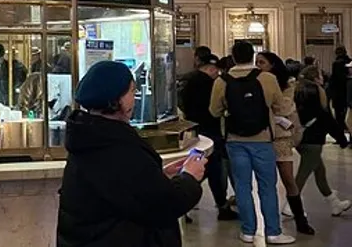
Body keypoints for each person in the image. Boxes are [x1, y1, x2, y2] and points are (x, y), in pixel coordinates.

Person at [58, 61, 204, 247]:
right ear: (115, 99)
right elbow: (164, 205)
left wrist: (159, 176)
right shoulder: (117, 146)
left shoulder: (87, 136)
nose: (134, 99)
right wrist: (189, 178)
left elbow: (125, 189)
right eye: (131, 92)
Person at [210, 40, 295, 244]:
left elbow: (214, 111)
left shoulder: (222, 81)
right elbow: (279, 107)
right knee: (267, 186)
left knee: (242, 186)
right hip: (263, 139)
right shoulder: (267, 78)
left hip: (234, 140)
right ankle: (273, 232)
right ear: (252, 55)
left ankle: (248, 231)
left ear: (233, 57)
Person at [256, 51, 314, 235]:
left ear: (273, 65)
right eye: (256, 62)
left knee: (288, 179)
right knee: (266, 181)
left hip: (282, 137)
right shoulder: (256, 82)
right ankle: (270, 224)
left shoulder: (287, 84)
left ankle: (300, 219)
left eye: (262, 62)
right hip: (262, 136)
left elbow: (284, 107)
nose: (258, 66)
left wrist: (272, 114)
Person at [179, 53, 237, 220]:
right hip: (211, 131)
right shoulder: (210, 83)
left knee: (201, 166)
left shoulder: (188, 80)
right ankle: (220, 206)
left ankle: (187, 204)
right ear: (211, 68)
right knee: (213, 168)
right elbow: (215, 108)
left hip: (194, 130)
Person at [293, 64, 351, 216]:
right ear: (315, 78)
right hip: (314, 139)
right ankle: (290, 205)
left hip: (301, 137)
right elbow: (326, 118)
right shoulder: (316, 93)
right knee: (303, 174)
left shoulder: (298, 91)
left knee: (320, 171)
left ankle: (334, 203)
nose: (323, 76)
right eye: (320, 74)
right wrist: (341, 139)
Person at [330, 46, 350, 135]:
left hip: (338, 93)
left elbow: (334, 80)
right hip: (349, 91)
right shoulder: (350, 62)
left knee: (339, 115)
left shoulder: (336, 64)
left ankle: (340, 134)